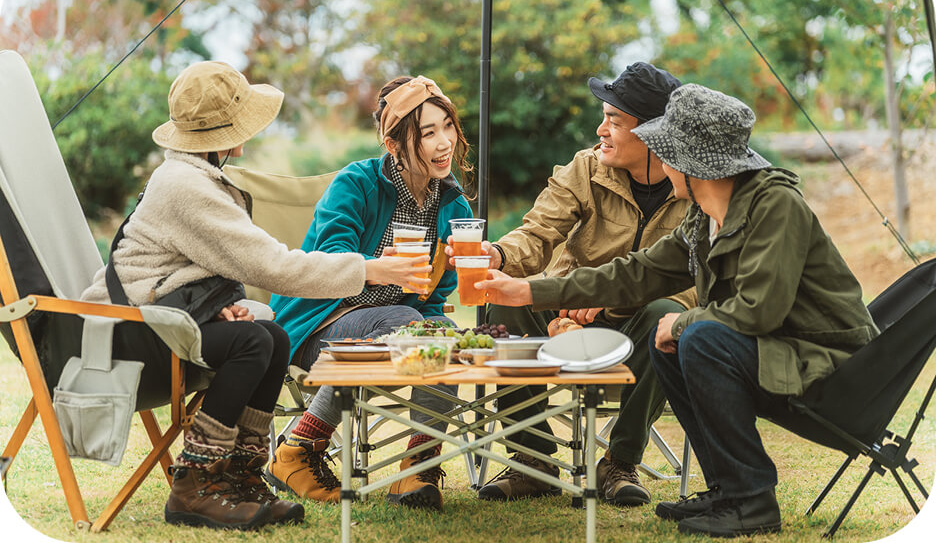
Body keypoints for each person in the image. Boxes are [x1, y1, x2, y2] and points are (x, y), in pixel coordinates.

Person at [475, 83, 878, 537]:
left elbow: (758, 311)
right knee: (675, 341)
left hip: (834, 373)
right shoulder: (705, 215)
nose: (662, 163)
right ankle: (727, 490)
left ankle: (752, 500)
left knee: (695, 335)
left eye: (667, 152)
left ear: (691, 161)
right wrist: (527, 292)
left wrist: (682, 322)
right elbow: (636, 273)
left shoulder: (775, 205)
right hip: (781, 357)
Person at [80, 61, 429, 530]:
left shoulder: (194, 176)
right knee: (252, 341)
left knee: (272, 336)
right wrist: (369, 268)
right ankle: (195, 484)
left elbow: (180, 267)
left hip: (160, 319)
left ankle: (241, 476)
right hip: (124, 333)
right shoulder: (185, 185)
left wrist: (214, 306)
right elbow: (274, 267)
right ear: (223, 132)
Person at [446, 62, 695, 506]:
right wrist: (498, 254)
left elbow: (698, 281)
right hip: (565, 311)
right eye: (603, 117)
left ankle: (619, 462)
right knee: (506, 299)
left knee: (668, 315)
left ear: (653, 134)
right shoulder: (586, 168)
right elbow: (538, 232)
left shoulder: (692, 185)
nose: (601, 130)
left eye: (614, 120)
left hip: (640, 324)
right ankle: (533, 461)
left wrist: (606, 300)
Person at [267, 76, 474, 511]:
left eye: (448, 127)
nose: (444, 143)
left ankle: (418, 466)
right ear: (394, 144)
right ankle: (298, 449)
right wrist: (378, 269)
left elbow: (433, 300)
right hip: (319, 327)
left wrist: (457, 273)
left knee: (443, 334)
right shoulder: (357, 182)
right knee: (405, 323)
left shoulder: (453, 205)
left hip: (396, 334)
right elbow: (327, 261)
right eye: (428, 133)